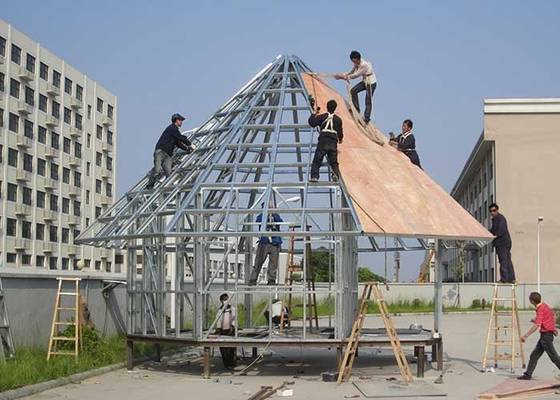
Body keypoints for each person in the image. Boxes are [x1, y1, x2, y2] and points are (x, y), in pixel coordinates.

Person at [146, 113, 196, 189]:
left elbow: (178, 143)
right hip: (160, 152)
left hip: (168, 155)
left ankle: (166, 190)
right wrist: (190, 144)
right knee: (157, 171)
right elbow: (180, 138)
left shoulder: (174, 131)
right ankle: (150, 186)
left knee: (169, 175)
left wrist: (186, 149)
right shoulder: (172, 128)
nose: (181, 122)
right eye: (180, 120)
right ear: (176, 120)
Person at [518, 292, 560, 380]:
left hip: (546, 337)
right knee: (534, 355)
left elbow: (537, 325)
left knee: (554, 357)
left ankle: (527, 374)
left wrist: (525, 336)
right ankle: (527, 374)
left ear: (532, 301)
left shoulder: (540, 309)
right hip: (546, 335)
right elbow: (553, 316)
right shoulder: (545, 306)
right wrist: (553, 328)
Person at [335, 50, 377, 123]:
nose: (354, 63)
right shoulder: (356, 63)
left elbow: (356, 75)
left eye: (354, 61)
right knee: (353, 91)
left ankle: (366, 118)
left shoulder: (364, 65)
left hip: (371, 83)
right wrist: (343, 75)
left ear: (358, 59)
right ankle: (356, 109)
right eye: (353, 61)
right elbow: (351, 72)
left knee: (368, 100)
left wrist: (343, 77)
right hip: (365, 81)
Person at [308, 99, 343, 182]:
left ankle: (314, 177)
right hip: (333, 142)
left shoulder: (322, 117)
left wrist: (314, 113)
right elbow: (340, 132)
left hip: (323, 141)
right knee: (333, 162)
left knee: (317, 159)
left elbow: (312, 123)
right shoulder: (338, 120)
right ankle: (335, 175)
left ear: (327, 107)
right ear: (335, 108)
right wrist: (340, 139)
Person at [249, 208, 283, 285]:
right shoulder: (262, 216)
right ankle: (253, 279)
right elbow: (258, 220)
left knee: (273, 263)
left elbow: (280, 222)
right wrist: (266, 215)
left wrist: (273, 214)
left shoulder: (276, 216)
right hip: (264, 241)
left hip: (274, 242)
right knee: (258, 261)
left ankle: (271, 279)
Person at [489, 203, 516, 283]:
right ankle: (512, 278)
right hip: (503, 242)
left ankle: (504, 279)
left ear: (497, 210)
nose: (492, 213)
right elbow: (493, 230)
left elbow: (501, 230)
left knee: (503, 260)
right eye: (491, 211)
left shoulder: (500, 218)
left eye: (494, 210)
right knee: (507, 260)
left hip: (503, 243)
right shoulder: (495, 219)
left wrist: (495, 235)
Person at [216, 293, 237, 369]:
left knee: (231, 348)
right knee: (223, 349)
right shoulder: (220, 310)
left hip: (230, 330)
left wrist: (233, 326)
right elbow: (218, 320)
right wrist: (218, 328)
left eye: (227, 299)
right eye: (224, 300)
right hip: (222, 331)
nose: (226, 301)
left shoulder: (232, 309)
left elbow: (234, 319)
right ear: (221, 301)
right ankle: (226, 363)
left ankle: (232, 363)